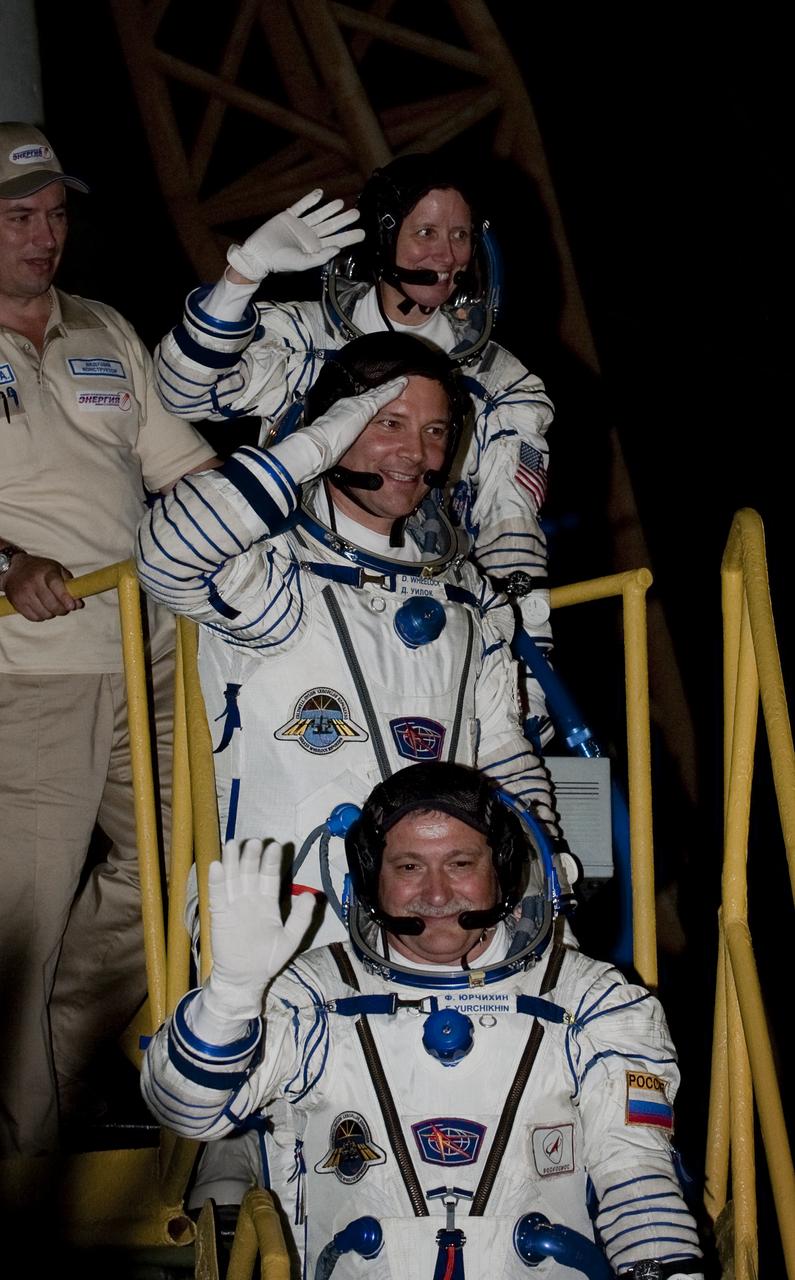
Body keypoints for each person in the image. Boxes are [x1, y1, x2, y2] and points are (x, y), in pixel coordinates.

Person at [142, 761, 705, 1279]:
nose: (436, 893)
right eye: (408, 866)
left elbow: (637, 1179)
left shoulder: (593, 1000)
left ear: (502, 872)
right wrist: (230, 1001)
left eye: (461, 864)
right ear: (370, 878)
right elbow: (187, 1112)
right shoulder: (314, 994)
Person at [154, 153, 556, 747]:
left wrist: (528, 664)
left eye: (459, 235)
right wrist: (243, 273)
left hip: (432, 615)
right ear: (384, 238)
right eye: (424, 233)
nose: (445, 257)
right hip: (292, 610)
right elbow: (185, 390)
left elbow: (509, 527)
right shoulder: (305, 338)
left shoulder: (503, 385)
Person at [0, 121, 219, 1157]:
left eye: (54, 214)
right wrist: (8, 566)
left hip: (154, 645)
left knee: (179, 873)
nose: (44, 236)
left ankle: (56, 1060)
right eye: (17, 217)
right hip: (33, 669)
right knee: (27, 918)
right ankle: (24, 1155)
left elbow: (186, 469)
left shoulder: (103, 327)